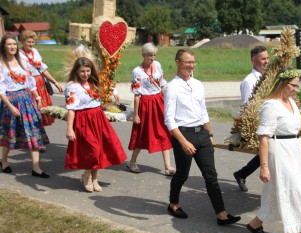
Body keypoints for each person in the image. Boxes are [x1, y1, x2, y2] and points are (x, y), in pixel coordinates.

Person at [246, 68, 301, 233]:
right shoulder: (270, 106)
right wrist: (264, 166)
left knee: (276, 191)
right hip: (278, 152)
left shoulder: (292, 103)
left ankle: (255, 224)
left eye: (298, 86)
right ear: (282, 83)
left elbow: (295, 131)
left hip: (292, 151)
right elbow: (263, 137)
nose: (296, 89)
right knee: (292, 193)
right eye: (294, 85)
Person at [164, 48, 241, 225]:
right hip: (184, 134)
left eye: (193, 62)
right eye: (187, 63)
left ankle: (221, 214)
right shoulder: (172, 87)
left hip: (202, 134)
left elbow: (203, 111)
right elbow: (169, 119)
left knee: (211, 175)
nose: (191, 66)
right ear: (178, 63)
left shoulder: (198, 84)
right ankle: (173, 203)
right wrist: (183, 142)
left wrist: (210, 133)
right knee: (182, 174)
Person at [64, 56, 127, 192]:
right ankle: (86, 175)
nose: (85, 74)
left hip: (98, 119)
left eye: (88, 71)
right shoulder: (72, 87)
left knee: (100, 149)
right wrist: (70, 128)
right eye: (82, 71)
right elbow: (71, 109)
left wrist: (114, 93)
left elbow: (109, 85)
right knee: (93, 150)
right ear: (76, 71)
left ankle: (95, 178)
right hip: (83, 120)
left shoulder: (94, 83)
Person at [0, 34, 50, 178]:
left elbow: (30, 80)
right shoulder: (1, 64)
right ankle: (4, 160)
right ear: (3, 46)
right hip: (10, 100)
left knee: (33, 131)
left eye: (14, 44)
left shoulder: (22, 61)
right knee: (11, 133)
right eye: (9, 44)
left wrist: (37, 97)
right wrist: (9, 106)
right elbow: (1, 88)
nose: (12, 47)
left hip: (26, 99)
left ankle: (36, 168)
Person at [127, 43, 174, 175]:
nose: (152, 58)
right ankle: (132, 162)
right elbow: (137, 95)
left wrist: (168, 102)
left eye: (154, 55)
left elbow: (162, 85)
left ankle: (168, 167)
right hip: (146, 105)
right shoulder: (137, 71)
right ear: (143, 55)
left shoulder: (157, 65)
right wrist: (136, 114)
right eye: (149, 56)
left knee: (164, 132)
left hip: (158, 101)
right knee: (143, 134)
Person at [233, 46, 269, 192]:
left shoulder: (269, 77)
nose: (266, 61)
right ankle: (242, 173)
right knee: (269, 150)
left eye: (267, 58)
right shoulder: (249, 82)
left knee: (270, 151)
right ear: (254, 61)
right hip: (257, 123)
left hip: (269, 120)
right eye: (263, 59)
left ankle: (241, 173)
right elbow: (249, 108)